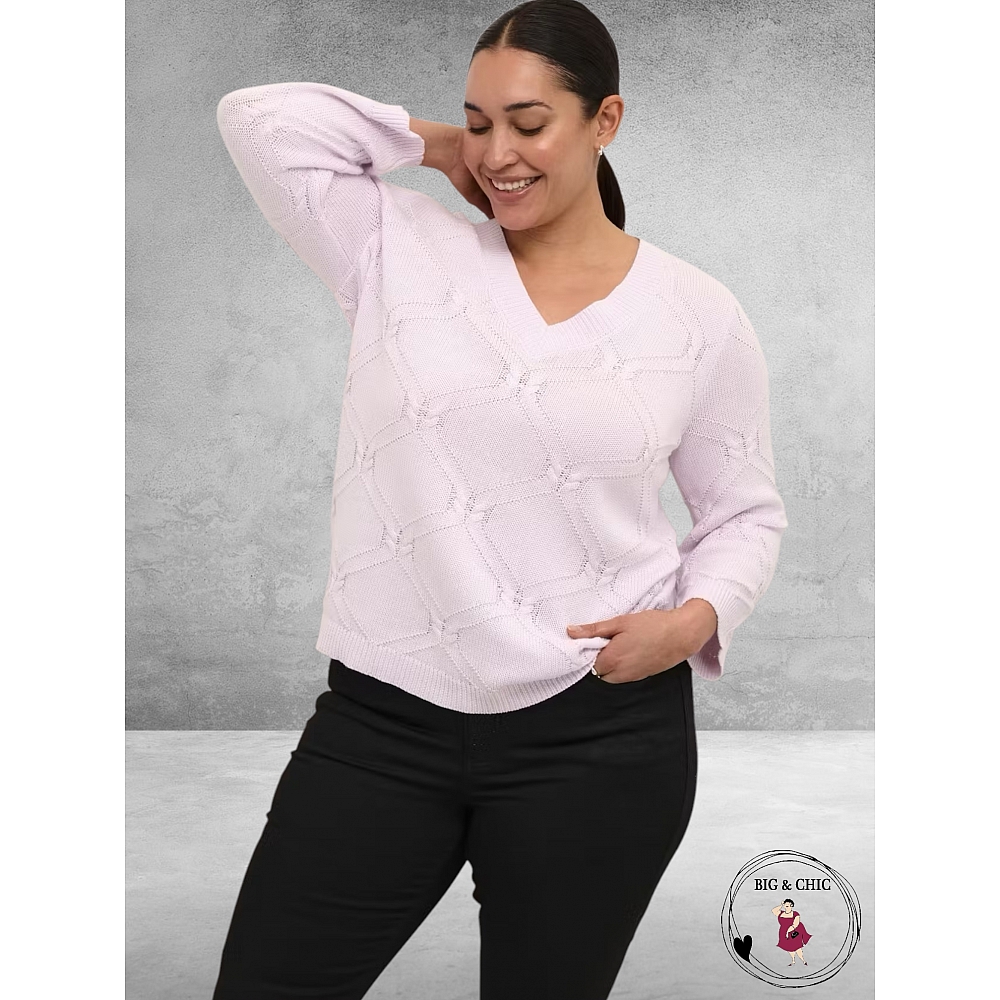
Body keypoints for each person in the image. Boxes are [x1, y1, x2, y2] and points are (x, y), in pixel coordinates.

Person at [211, 1, 787, 997]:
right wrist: (440, 147)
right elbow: (258, 119)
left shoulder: (699, 315)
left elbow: (744, 513)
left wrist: (691, 620)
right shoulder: (393, 247)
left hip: (599, 736)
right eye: (480, 121)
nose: (499, 152)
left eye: (529, 123)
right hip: (383, 723)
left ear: (605, 120)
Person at [772, 899, 812, 966]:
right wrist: (781, 905)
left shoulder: (795, 914)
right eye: (785, 906)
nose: (786, 907)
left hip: (794, 932)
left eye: (788, 906)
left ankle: (803, 960)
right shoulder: (781, 913)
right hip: (783, 932)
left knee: (797, 947)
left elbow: (795, 924)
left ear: (791, 906)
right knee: (789, 948)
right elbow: (774, 910)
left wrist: (788, 931)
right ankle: (793, 960)